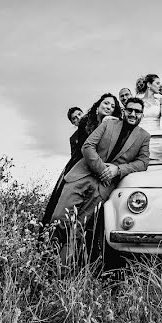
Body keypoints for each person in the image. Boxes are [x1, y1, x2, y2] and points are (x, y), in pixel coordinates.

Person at [48, 97, 151, 265]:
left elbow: (143, 162)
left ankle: (64, 268)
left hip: (104, 187)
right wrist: (103, 169)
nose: (133, 114)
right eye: (130, 110)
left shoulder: (144, 137)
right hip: (82, 176)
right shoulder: (108, 124)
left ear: (142, 115)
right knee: (59, 219)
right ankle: (46, 259)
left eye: (137, 111)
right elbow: (87, 146)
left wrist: (117, 170)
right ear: (124, 111)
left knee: (79, 227)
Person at [41, 93, 121, 228]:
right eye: (106, 103)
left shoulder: (115, 123)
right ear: (98, 105)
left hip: (103, 168)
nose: (108, 107)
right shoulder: (86, 122)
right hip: (83, 164)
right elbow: (87, 148)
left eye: (112, 106)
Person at [136, 74, 162, 162]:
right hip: (140, 139)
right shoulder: (137, 100)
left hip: (157, 139)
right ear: (149, 84)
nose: (160, 85)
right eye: (157, 83)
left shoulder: (161, 99)